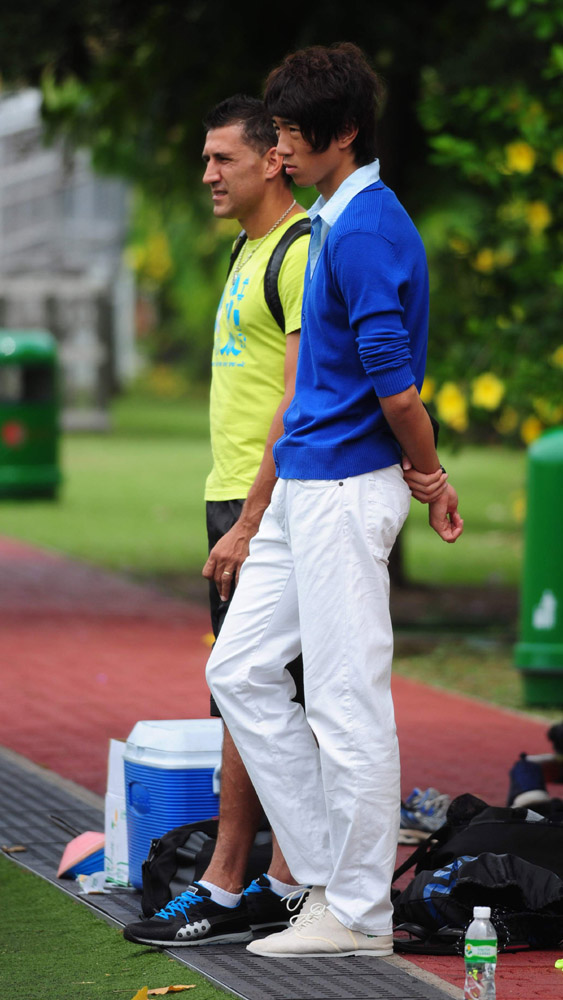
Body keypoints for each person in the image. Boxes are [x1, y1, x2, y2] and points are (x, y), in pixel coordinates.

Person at [206, 42, 463, 959]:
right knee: (239, 672)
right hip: (303, 485)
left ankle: (356, 915)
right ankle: (325, 879)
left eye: (288, 134)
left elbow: (396, 387)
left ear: (343, 133)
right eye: (273, 132)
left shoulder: (362, 230)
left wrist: (429, 476)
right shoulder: (331, 218)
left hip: (348, 489)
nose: (276, 151)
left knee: (346, 704)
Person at [124, 95, 311, 948]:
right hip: (230, 495)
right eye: (205, 158)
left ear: (273, 160)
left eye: (221, 158)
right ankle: (265, 877)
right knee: (243, 693)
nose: (206, 174)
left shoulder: (300, 252)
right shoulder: (247, 247)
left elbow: (298, 400)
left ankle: (240, 882)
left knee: (261, 691)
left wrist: (252, 517)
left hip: (267, 502)